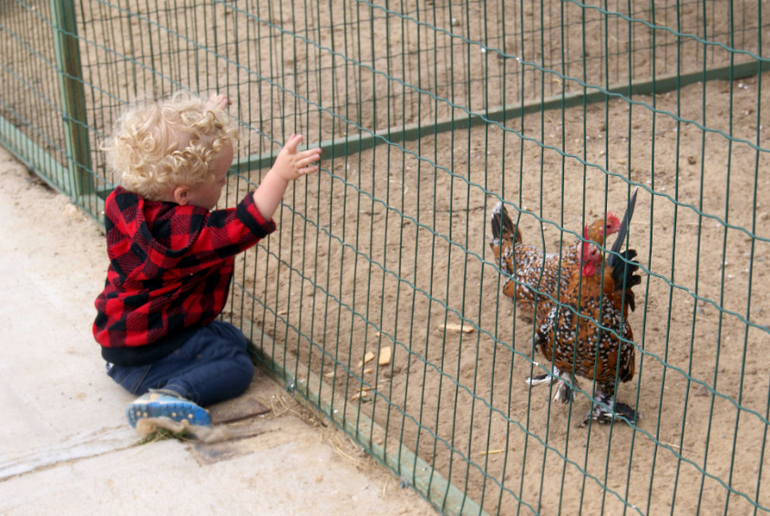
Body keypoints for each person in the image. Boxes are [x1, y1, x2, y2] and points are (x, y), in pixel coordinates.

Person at [93, 91, 321, 429]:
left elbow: (167, 156)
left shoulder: (125, 202)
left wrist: (203, 126)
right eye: (219, 178)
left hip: (124, 341)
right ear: (183, 195)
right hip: (148, 356)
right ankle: (169, 398)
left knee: (231, 337)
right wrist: (278, 175)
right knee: (236, 365)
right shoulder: (183, 238)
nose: (224, 182)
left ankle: (156, 374)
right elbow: (243, 224)